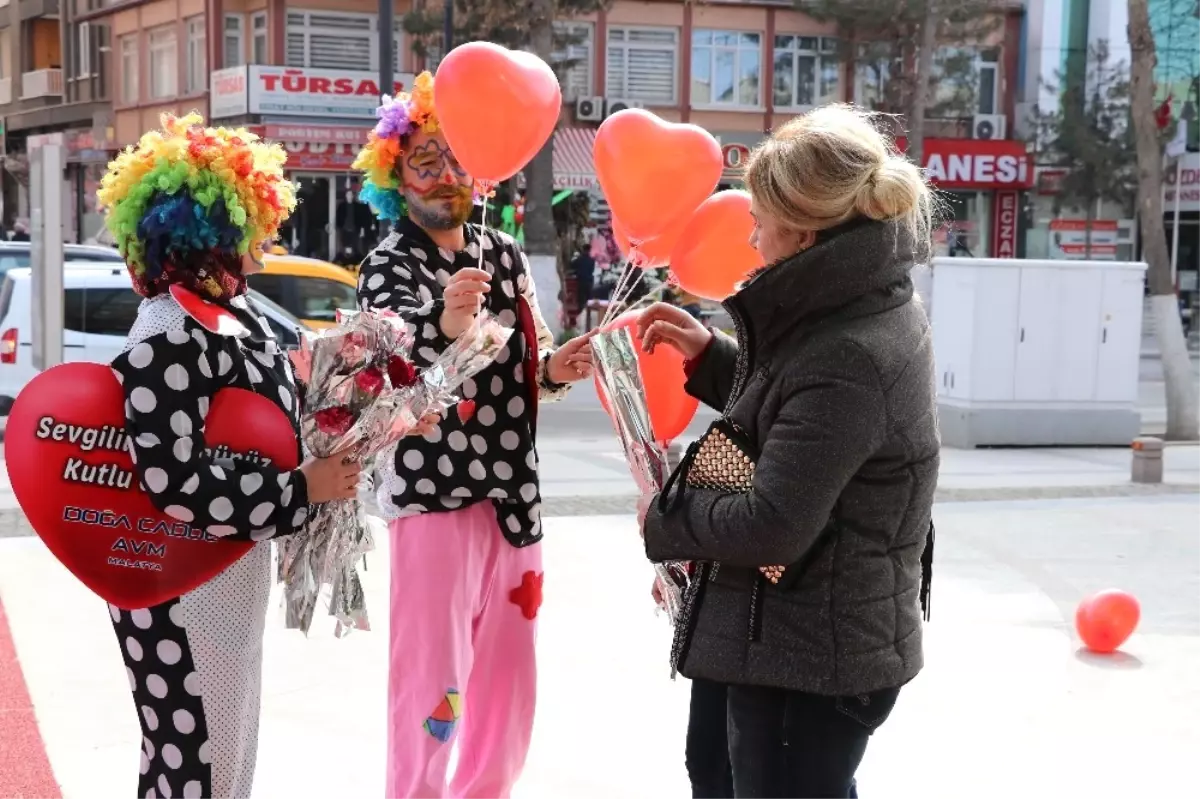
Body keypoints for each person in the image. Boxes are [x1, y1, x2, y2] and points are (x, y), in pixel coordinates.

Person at [637, 104, 939, 798]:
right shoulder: (844, 302)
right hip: (775, 628)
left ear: (803, 231)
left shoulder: (850, 350)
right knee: (714, 770)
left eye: (759, 217)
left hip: (808, 654)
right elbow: (799, 411)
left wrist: (666, 519)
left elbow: (776, 519)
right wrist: (713, 359)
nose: (748, 232)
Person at [93, 113, 368, 798]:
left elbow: (263, 427)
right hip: (177, 587)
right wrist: (303, 490)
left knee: (223, 758)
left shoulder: (225, 317)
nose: (267, 236)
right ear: (212, 230)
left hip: (223, 576)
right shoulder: (166, 332)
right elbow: (174, 481)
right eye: (254, 218)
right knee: (193, 765)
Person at [351, 72, 595, 799]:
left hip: (513, 499)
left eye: (458, 156)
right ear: (394, 170)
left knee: (508, 684)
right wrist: (446, 324)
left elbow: (531, 366)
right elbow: (385, 366)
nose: (447, 173)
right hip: (434, 497)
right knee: (433, 682)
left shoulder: (505, 253)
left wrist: (558, 366)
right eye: (427, 158)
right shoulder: (388, 263)